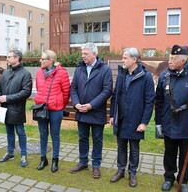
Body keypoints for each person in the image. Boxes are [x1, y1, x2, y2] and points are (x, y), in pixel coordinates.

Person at [155, 45, 188, 192]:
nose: (170, 61)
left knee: (185, 154)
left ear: (183, 60)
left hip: (187, 122)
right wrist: (158, 122)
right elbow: (159, 101)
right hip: (168, 121)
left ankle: (183, 180)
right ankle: (169, 178)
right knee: (169, 152)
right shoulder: (164, 76)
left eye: (174, 59)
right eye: (169, 58)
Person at [109, 48, 155, 187]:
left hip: (136, 120)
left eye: (125, 58)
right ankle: (120, 170)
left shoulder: (145, 76)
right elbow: (115, 96)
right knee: (121, 147)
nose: (122, 60)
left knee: (134, 149)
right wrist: (112, 115)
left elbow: (149, 101)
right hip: (121, 118)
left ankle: (132, 173)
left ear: (134, 60)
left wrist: (144, 122)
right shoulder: (122, 74)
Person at [70, 43, 113, 178]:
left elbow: (107, 90)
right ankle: (83, 162)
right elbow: (73, 88)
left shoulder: (105, 69)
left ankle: (96, 165)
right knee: (82, 138)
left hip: (96, 111)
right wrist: (76, 104)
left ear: (94, 54)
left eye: (86, 54)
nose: (83, 56)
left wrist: (91, 105)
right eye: (82, 54)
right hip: (81, 111)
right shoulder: (79, 69)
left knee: (97, 139)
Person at [0, 50, 32, 167]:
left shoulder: (25, 74)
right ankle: (10, 153)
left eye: (9, 57)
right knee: (9, 131)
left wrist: (7, 98)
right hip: (5, 109)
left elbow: (26, 92)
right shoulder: (5, 73)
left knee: (20, 132)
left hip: (17, 109)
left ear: (17, 58)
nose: (7, 59)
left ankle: (23, 155)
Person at [34, 50, 70, 172]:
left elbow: (66, 93)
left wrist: (59, 104)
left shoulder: (62, 73)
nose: (40, 60)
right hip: (41, 109)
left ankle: (55, 160)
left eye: (43, 58)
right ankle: (43, 159)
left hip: (56, 110)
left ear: (50, 60)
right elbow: (39, 88)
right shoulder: (39, 72)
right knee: (43, 134)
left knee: (55, 135)